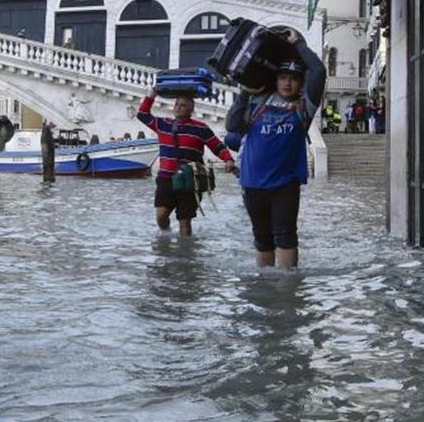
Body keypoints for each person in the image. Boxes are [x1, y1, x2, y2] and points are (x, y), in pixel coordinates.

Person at [225, 26, 326, 269]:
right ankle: (265, 289)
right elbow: (232, 125)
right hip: (252, 183)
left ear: (301, 83)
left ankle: (286, 292)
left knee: (286, 237)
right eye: (283, 78)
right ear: (276, 79)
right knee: (262, 239)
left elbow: (319, 70)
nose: (288, 83)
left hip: (285, 184)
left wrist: (298, 44)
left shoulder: (305, 107)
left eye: (293, 79)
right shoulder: (256, 101)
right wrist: (244, 92)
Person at [137, 91, 236, 237]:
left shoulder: (201, 128)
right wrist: (152, 94)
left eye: (183, 105)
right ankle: (166, 237)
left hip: (190, 181)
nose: (178, 108)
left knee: (185, 222)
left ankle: (184, 255)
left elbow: (217, 146)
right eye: (176, 104)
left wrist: (228, 159)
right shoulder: (163, 124)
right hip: (165, 179)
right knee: (161, 217)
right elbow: (142, 114)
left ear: (191, 109)